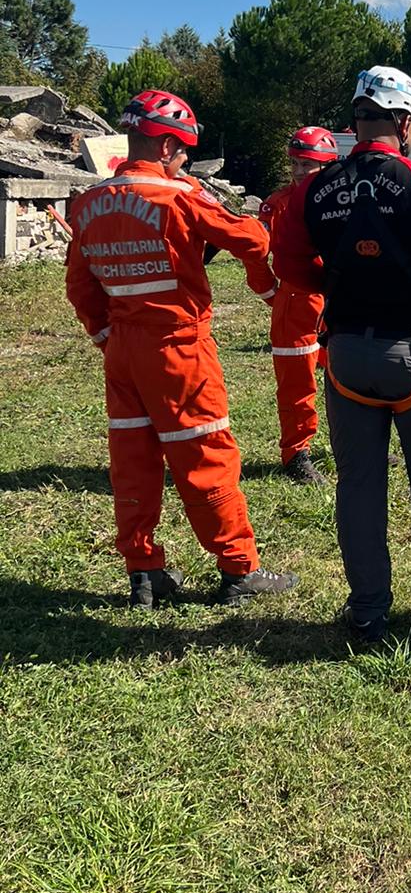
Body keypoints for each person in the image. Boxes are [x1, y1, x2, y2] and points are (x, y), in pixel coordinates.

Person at [272, 65, 411, 639]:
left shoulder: (312, 189)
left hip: (345, 353)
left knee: (359, 485)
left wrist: (344, 282)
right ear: (403, 121)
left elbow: (291, 269)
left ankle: (368, 608)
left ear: (357, 120)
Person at [65, 89, 298, 608]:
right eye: (184, 153)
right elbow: (254, 238)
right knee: (205, 455)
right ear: (168, 145)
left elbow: (80, 286)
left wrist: (104, 335)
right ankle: (240, 570)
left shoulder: (87, 203)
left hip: (122, 351)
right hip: (178, 348)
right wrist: (265, 288)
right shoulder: (181, 196)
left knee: (133, 462)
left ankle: (144, 572)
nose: (186, 161)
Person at [261, 125, 341, 484]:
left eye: (306, 165)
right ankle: (297, 453)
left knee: (346, 375)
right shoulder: (278, 204)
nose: (297, 172)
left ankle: (351, 442)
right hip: (295, 301)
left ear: (326, 166)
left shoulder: (342, 200)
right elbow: (255, 252)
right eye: (294, 163)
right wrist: (269, 293)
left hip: (336, 300)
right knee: (297, 382)